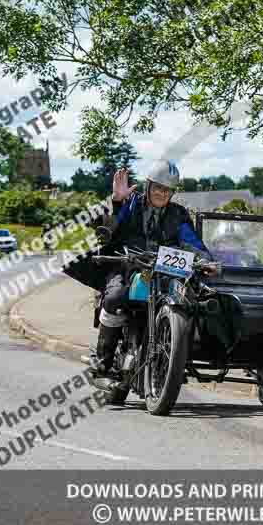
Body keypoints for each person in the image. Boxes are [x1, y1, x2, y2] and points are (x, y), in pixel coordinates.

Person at [87, 160, 216, 379]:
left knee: (191, 302)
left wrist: (205, 260)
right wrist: (116, 201)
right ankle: (103, 359)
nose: (161, 193)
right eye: (158, 187)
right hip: (127, 266)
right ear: (148, 186)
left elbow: (191, 241)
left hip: (163, 273)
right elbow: (107, 225)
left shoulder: (178, 214)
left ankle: (172, 354)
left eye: (167, 190)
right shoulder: (131, 204)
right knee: (116, 296)